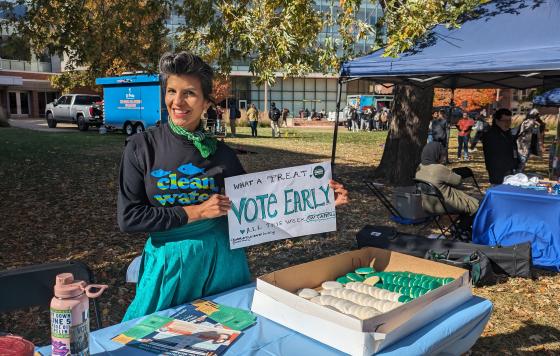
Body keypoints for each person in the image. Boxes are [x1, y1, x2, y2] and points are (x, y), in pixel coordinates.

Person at [118, 52, 350, 321]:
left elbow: (258, 210)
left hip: (223, 264)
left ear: (206, 102)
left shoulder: (222, 154)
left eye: (189, 93)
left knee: (225, 336)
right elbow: (129, 217)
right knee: (147, 338)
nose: (177, 102)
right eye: (172, 91)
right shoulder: (141, 147)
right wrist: (196, 212)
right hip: (168, 268)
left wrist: (320, 201)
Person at [415, 142, 480, 236]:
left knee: (466, 203)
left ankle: (460, 227)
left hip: (428, 205)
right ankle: (462, 229)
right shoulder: (439, 169)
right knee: (476, 205)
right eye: (442, 155)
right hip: (446, 204)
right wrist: (449, 172)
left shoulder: (420, 169)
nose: (444, 157)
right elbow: (458, 181)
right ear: (436, 155)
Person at [482, 108, 519, 184]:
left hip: (510, 168)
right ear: (497, 121)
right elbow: (495, 155)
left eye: (509, 120)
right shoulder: (491, 134)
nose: (508, 123)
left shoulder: (507, 132)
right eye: (505, 121)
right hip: (498, 171)